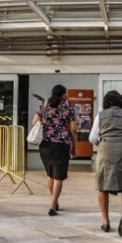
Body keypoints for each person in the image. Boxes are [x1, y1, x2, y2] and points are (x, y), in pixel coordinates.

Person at [89, 90, 122, 237]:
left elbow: (92, 138)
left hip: (106, 148)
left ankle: (106, 222)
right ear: (121, 102)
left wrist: (103, 143)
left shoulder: (100, 115)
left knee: (103, 186)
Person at [32, 84, 78, 216]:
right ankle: (52, 206)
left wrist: (46, 122)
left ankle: (55, 201)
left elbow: (34, 122)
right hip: (61, 144)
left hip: (45, 145)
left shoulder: (44, 105)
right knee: (59, 176)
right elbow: (73, 129)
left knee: (50, 174)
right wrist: (74, 146)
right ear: (63, 94)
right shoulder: (68, 107)